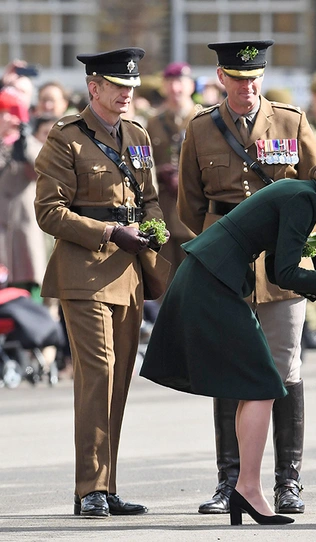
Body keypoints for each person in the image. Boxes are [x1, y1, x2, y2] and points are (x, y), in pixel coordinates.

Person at [140, 156, 316, 525]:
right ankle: (247, 490)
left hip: (211, 277)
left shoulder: (305, 195)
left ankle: (246, 489)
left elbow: (279, 274)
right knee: (263, 384)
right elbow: (289, 273)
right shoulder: (305, 199)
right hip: (212, 281)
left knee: (256, 385)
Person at [175, 40, 316, 516]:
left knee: (285, 368)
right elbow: (190, 205)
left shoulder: (291, 121)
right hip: (226, 265)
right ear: (221, 77)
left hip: (280, 267)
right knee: (229, 370)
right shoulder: (199, 128)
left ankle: (288, 481)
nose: (247, 87)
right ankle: (230, 481)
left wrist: (298, 243)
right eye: (237, 79)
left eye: (254, 78)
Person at [34, 47, 169, 518]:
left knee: (118, 381)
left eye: (132, 87)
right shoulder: (65, 138)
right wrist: (109, 231)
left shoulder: (137, 134)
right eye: (119, 88)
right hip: (84, 272)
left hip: (128, 272)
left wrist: (153, 229)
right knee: (98, 375)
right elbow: (49, 212)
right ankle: (88, 487)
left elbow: (149, 198)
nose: (128, 95)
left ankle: (107, 486)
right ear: (95, 88)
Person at [146, 62, 199, 285]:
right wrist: (160, 172)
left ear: (191, 86)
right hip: (164, 213)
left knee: (195, 282)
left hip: (194, 215)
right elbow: (144, 165)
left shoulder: (204, 119)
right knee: (164, 282)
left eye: (180, 83)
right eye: (170, 83)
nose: (175, 89)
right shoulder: (154, 122)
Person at [0, 89, 47, 298]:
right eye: (3, 113)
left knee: (27, 298)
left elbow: (44, 170)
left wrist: (25, 143)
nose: (7, 118)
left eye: (11, 112)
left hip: (23, 232)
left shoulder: (29, 144)